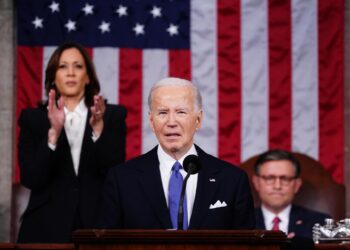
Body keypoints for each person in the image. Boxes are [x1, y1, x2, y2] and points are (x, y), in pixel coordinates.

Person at [98, 77, 255, 230]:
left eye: (181, 112)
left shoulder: (232, 180)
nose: (171, 122)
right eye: (162, 113)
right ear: (152, 121)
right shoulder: (122, 180)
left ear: (198, 120)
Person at [17, 42, 127, 243]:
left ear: (87, 77)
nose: (70, 73)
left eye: (78, 66)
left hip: (98, 226)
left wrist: (98, 130)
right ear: (52, 78)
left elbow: (115, 174)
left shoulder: (112, 116)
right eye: (62, 66)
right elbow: (31, 178)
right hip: (44, 228)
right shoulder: (32, 119)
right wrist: (53, 134)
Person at [252, 149, 329, 239]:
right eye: (269, 178)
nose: (277, 186)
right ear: (256, 182)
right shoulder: (240, 222)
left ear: (297, 184)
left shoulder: (319, 223)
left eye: (285, 179)